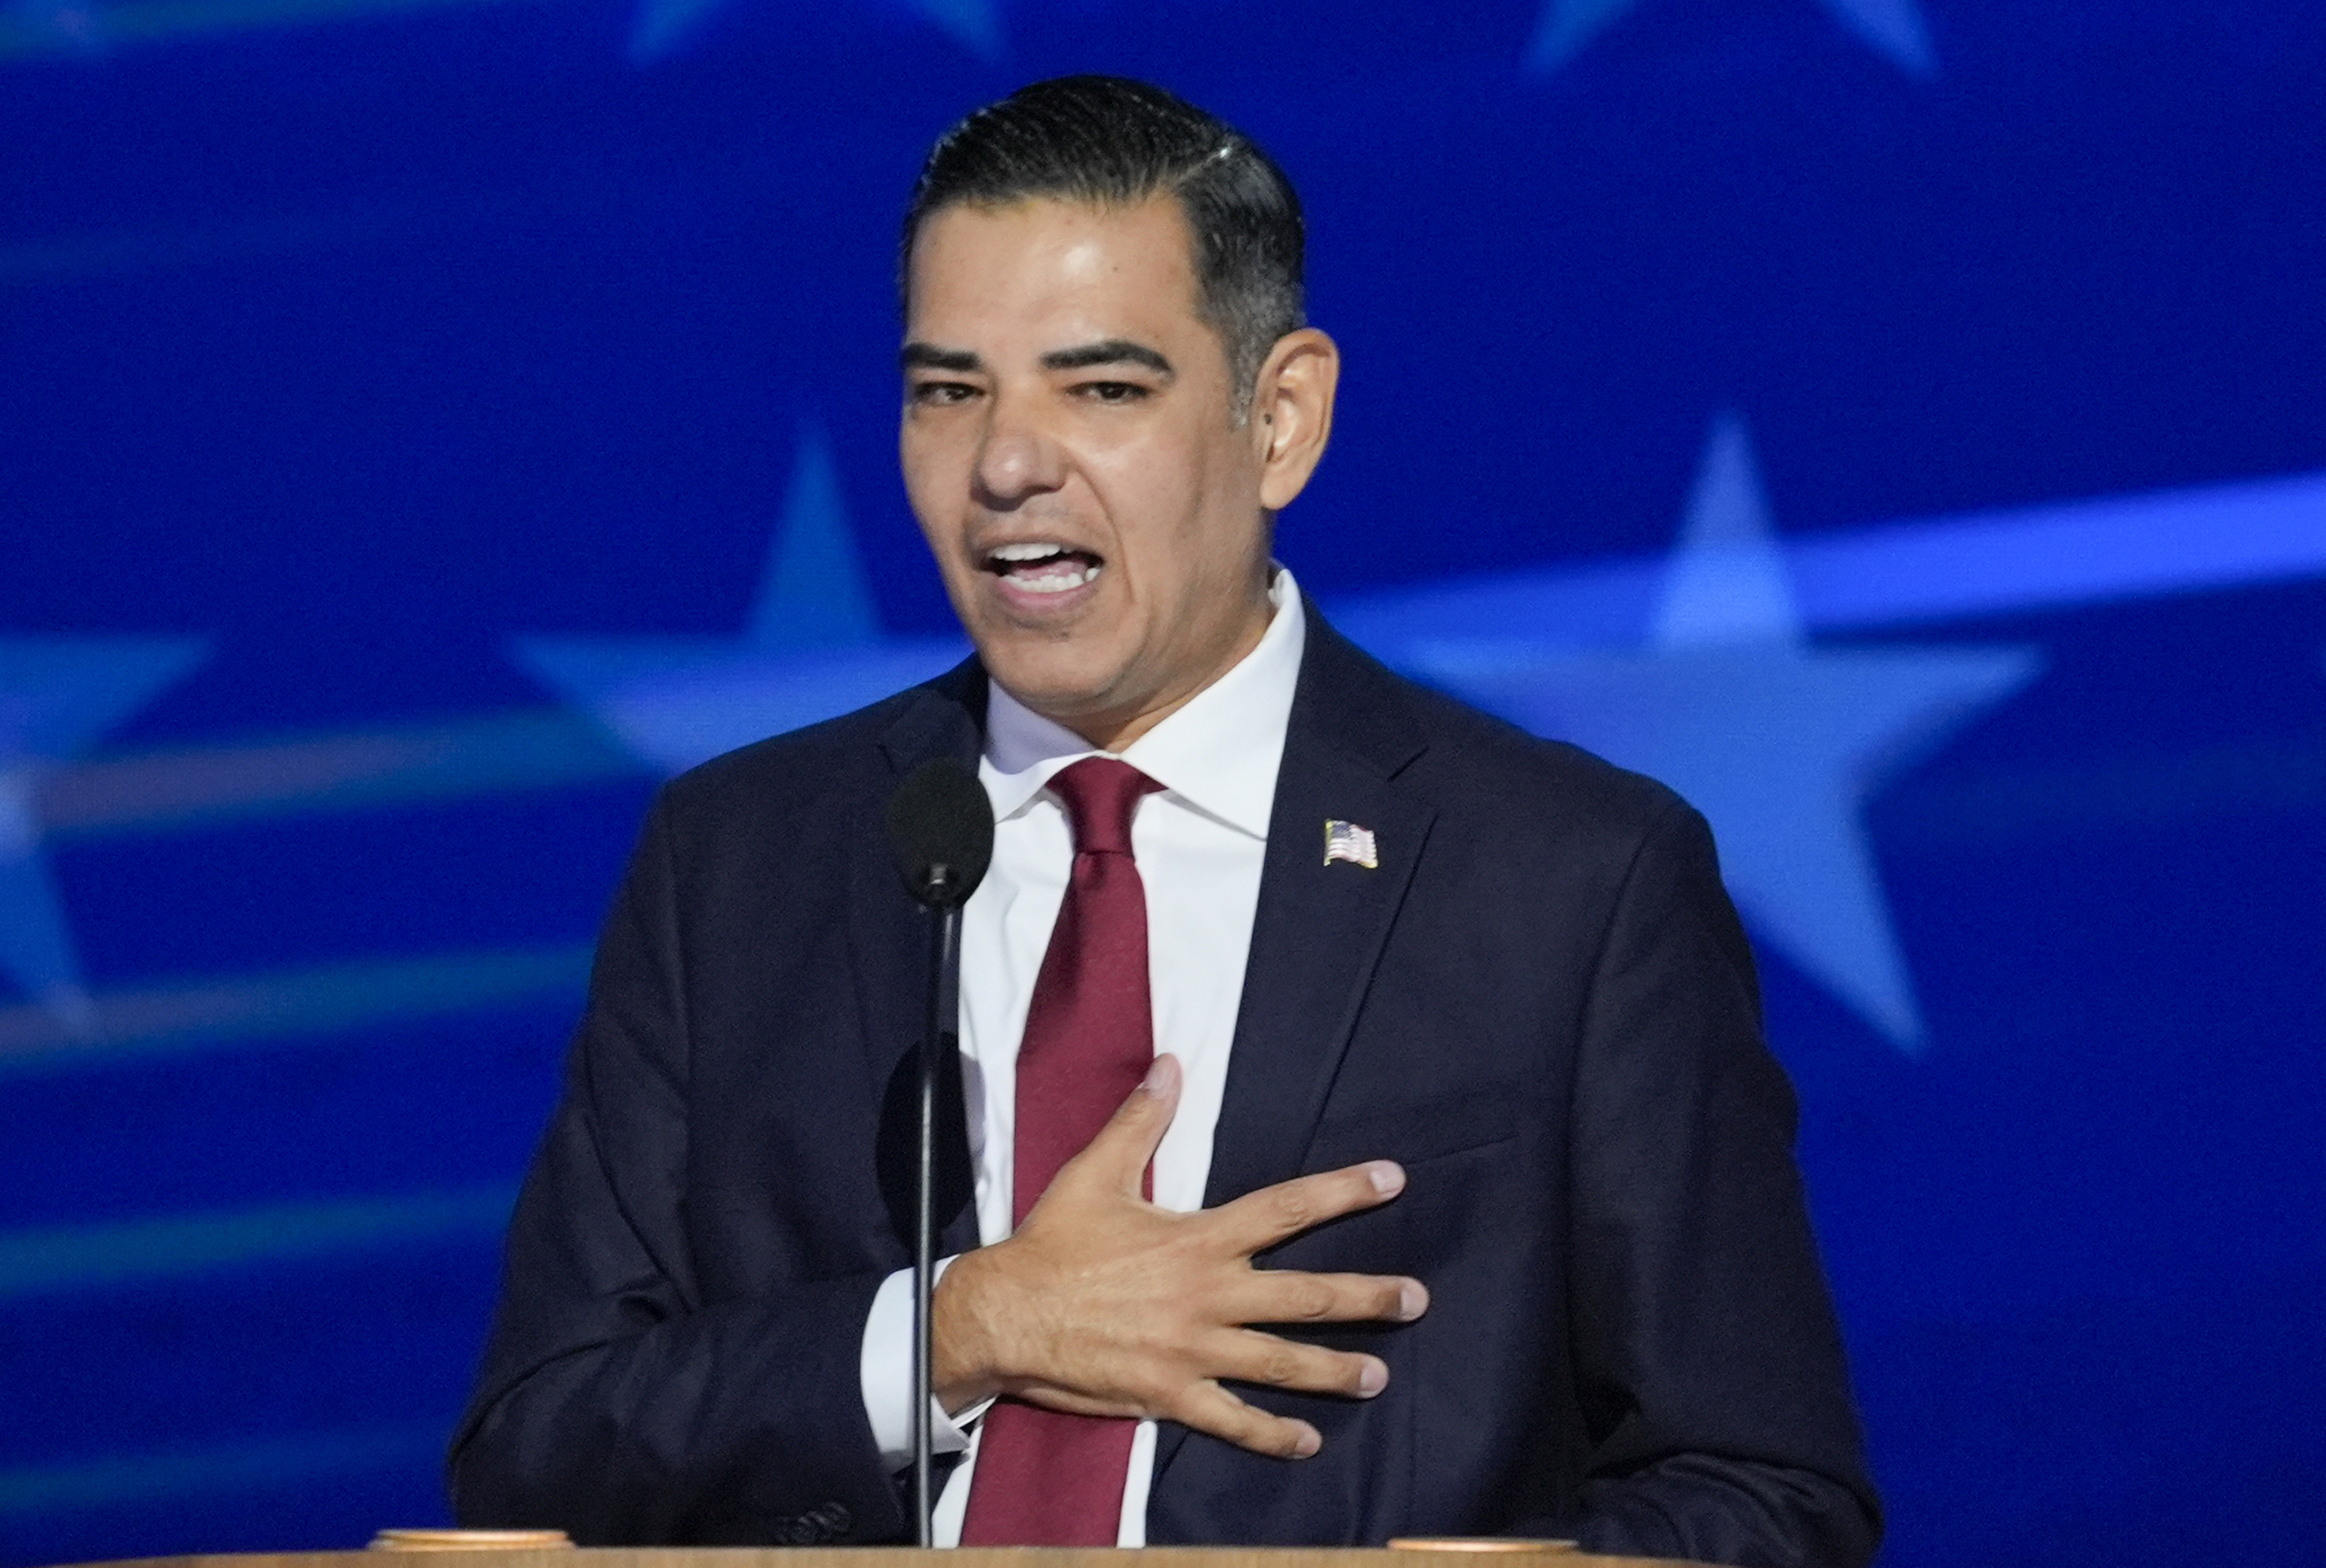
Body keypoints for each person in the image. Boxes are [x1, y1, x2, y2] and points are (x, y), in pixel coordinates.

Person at [449, 75, 1879, 1568]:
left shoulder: (1571, 884)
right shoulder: (738, 863)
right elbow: (537, 1456)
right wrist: (957, 1331)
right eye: (949, 391)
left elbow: (1766, 1492)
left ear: (1282, 419)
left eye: (1103, 389)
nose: (1007, 464)